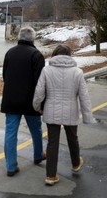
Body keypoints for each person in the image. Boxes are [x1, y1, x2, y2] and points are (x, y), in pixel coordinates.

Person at [33, 45, 93, 186]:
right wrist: (87, 116)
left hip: (51, 110)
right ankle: (76, 163)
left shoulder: (46, 70)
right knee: (73, 138)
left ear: (54, 54)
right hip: (71, 111)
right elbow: (84, 96)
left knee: (52, 142)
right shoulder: (77, 72)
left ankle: (51, 176)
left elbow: (39, 92)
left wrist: (36, 107)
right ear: (69, 55)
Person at [1, 26, 46, 177]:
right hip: (30, 101)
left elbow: (5, 76)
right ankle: (38, 155)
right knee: (36, 130)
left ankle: (11, 166)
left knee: (10, 133)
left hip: (11, 100)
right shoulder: (36, 55)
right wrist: (41, 103)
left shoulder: (9, 53)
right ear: (33, 39)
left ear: (19, 37)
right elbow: (40, 82)